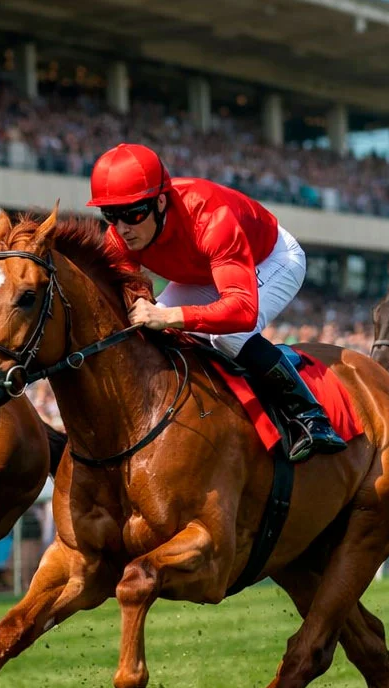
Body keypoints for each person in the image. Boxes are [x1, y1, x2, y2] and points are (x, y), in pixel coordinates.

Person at [88, 143, 346, 462]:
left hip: (271, 259)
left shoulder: (211, 217)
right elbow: (130, 298)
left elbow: (242, 311)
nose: (123, 228)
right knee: (150, 329)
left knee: (228, 336)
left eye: (133, 213)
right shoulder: (118, 237)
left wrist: (169, 316)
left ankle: (310, 416)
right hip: (205, 271)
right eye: (111, 215)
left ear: (161, 201)